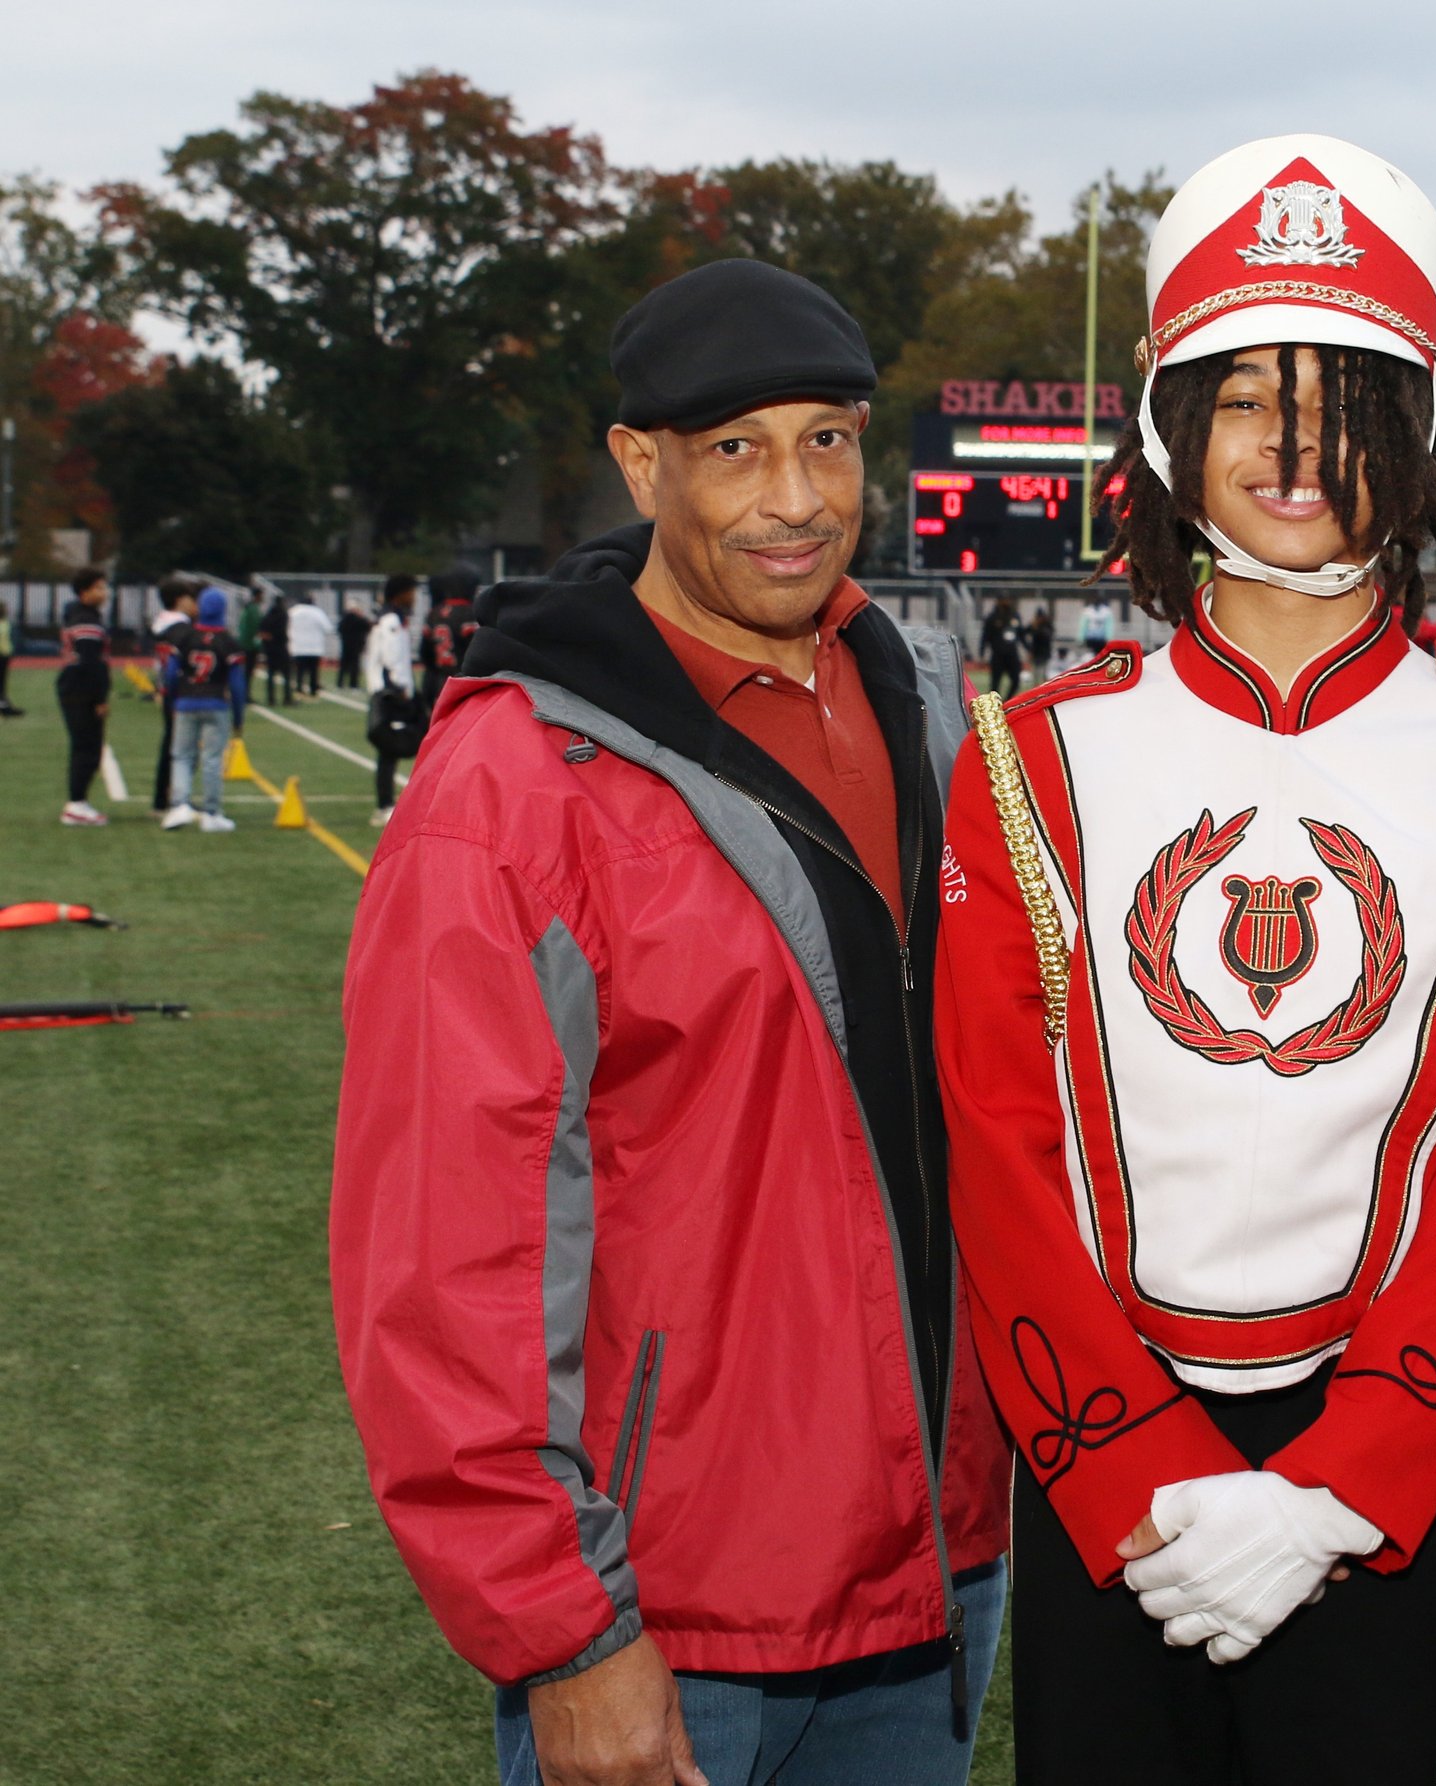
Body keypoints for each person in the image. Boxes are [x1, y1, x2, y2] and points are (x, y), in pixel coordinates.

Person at [939, 135, 1436, 1786]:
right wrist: (1131, 1472)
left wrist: (1342, 1485)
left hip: (1386, 1485)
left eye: (1340, 404)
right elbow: (1002, 1145)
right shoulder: (1033, 753)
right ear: (1177, 431)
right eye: (1246, 400)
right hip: (1111, 1479)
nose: (1292, 451)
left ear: (1417, 438)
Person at [330, 256, 1008, 1786]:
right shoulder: (507, 788)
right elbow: (445, 1264)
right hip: (679, 1613)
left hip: (937, 1565)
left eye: (826, 440)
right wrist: (559, 1630)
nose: (793, 496)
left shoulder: (921, 713)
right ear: (642, 465)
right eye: (734, 448)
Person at [159, 586, 247, 834]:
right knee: (211, 759)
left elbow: (170, 674)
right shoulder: (229, 641)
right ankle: (211, 813)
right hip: (216, 704)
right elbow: (238, 685)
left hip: (186, 702)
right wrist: (239, 718)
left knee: (182, 756)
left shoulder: (185, 636)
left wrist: (173, 699)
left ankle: (180, 806)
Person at [57, 567, 114, 826]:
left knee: (84, 747)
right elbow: (92, 663)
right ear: (85, 591)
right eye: (99, 587)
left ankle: (78, 802)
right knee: (87, 748)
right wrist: (100, 697)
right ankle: (76, 804)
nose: (104, 592)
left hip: (72, 687)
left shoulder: (79, 614)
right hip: (81, 690)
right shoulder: (87, 620)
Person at [363, 576, 419, 826]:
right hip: (392, 693)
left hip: (391, 690)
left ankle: (387, 802)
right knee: (390, 748)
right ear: (400, 593)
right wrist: (400, 689)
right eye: (411, 592)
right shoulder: (391, 621)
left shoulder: (391, 618)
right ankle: (385, 804)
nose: (414, 597)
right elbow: (391, 658)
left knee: (391, 749)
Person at [149, 575, 200, 814]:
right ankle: (175, 797)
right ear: (180, 600)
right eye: (192, 598)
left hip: (167, 689)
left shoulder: (161, 623)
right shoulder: (181, 629)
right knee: (182, 747)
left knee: (170, 743)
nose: (195, 604)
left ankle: (165, 796)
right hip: (180, 692)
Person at [418, 567, 481, 714]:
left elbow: (425, 652)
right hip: (464, 682)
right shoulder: (471, 613)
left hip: (440, 680)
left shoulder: (434, 613)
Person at [287, 590, 334, 694]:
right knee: (314, 670)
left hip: (298, 646)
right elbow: (328, 628)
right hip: (314, 647)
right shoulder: (317, 612)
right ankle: (313, 689)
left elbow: (286, 626)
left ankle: (299, 687)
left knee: (300, 670)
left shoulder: (293, 611)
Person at [979, 593, 1023, 695]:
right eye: (1003, 600)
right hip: (998, 654)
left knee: (1016, 680)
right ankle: (995, 706)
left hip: (1012, 654)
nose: (1006, 602)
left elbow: (1020, 634)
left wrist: (1029, 648)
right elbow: (985, 636)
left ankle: (1008, 702)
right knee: (995, 684)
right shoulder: (992, 617)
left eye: (1007, 600)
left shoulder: (1014, 615)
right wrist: (982, 652)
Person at [258, 593, 293, 705]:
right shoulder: (283, 615)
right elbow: (282, 631)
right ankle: (287, 698)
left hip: (269, 648)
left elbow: (262, 630)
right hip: (281, 647)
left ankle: (271, 699)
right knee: (286, 674)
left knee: (271, 674)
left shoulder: (268, 614)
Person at [336, 597, 373, 693]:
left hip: (346, 644)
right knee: (354, 666)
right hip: (356, 645)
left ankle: (340, 683)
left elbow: (339, 629)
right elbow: (368, 626)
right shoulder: (358, 619)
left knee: (344, 665)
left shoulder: (344, 619)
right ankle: (353, 685)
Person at [0, 596, 18, 716]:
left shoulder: (5, 622)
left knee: (2, 682)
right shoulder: (3, 624)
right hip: (1, 655)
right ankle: (4, 706)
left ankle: (4, 704)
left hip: (5, 655)